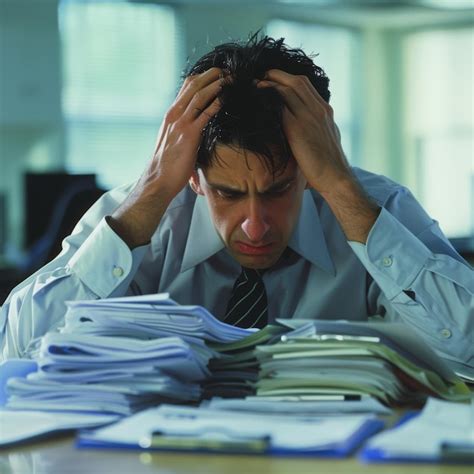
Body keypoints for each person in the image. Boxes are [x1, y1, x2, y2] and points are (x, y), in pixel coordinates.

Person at [1, 35, 472, 369]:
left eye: (277, 190)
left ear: (309, 170)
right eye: (227, 192)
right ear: (194, 177)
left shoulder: (376, 207)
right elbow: (16, 351)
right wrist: (150, 197)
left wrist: (340, 186)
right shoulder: (138, 213)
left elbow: (468, 349)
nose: (254, 226)